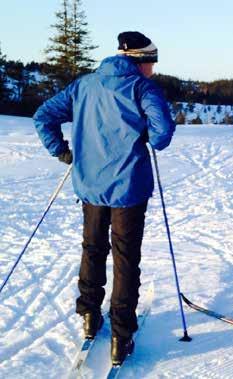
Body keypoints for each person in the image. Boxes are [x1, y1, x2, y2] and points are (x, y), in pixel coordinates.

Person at [33, 31, 175, 364]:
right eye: (152, 63)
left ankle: (89, 315)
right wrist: (148, 135)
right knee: (125, 258)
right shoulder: (142, 88)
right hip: (129, 189)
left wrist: (64, 153)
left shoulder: (84, 85)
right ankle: (121, 335)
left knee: (93, 248)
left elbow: (44, 116)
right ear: (140, 61)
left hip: (91, 186)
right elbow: (163, 134)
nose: (153, 70)